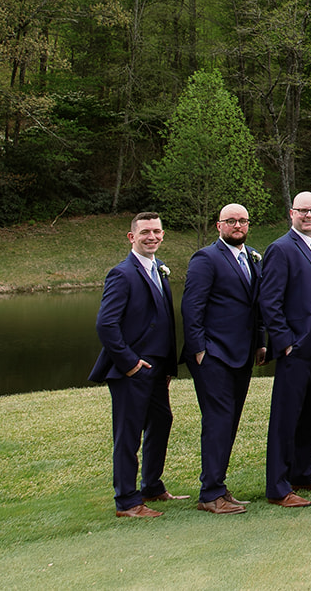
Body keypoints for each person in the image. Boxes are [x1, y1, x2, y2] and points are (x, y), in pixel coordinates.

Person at [90, 212, 185, 517]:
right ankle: (127, 501)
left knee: (162, 422)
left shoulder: (159, 270)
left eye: (157, 231)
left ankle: (152, 487)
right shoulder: (122, 273)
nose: (152, 237)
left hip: (157, 369)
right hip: (132, 369)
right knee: (128, 434)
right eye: (145, 232)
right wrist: (130, 363)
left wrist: (168, 367)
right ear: (132, 237)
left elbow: (165, 322)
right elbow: (106, 325)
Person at [181, 202, 266, 515]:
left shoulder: (251, 257)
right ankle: (210, 494)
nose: (238, 226)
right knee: (217, 420)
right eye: (231, 221)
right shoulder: (206, 258)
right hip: (213, 354)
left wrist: (260, 342)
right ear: (219, 225)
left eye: (243, 220)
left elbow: (255, 306)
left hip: (241, 354)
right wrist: (199, 349)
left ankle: (218, 485)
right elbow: (192, 307)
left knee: (228, 421)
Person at [258, 191, 311, 508]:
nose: (309, 216)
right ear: (291, 213)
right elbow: (270, 301)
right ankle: (278, 487)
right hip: (298, 348)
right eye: (303, 211)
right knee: (285, 419)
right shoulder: (281, 249)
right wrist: (286, 342)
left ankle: (304, 474)